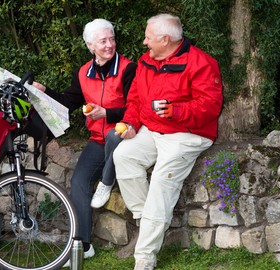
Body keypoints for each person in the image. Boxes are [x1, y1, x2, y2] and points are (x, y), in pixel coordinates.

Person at [113, 14, 223, 270]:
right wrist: (130, 124)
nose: (144, 42)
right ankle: (147, 223)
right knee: (124, 156)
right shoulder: (146, 61)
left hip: (188, 134)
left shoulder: (202, 63)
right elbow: (136, 99)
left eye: (148, 37)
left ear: (165, 39)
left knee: (161, 185)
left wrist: (176, 111)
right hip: (153, 130)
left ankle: (144, 258)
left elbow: (210, 107)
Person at [32, 18, 137, 267]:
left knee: (114, 136)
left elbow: (136, 107)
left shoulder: (128, 68)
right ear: (90, 45)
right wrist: (45, 92)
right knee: (78, 181)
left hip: (125, 136)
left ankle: (107, 181)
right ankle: (83, 245)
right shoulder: (83, 72)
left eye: (112, 39)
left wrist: (108, 114)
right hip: (98, 140)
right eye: (103, 41)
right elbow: (68, 102)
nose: (110, 45)